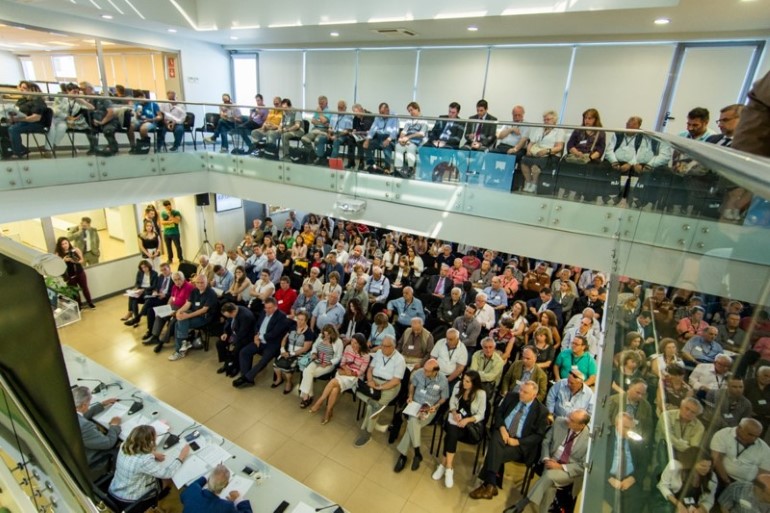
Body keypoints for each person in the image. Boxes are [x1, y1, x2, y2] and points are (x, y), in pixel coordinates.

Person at [470, 381, 549, 500]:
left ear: (534, 395)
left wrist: (518, 442)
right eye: (521, 390)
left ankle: (489, 484)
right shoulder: (511, 397)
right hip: (503, 432)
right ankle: (491, 484)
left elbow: (538, 436)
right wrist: (502, 428)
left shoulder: (541, 411)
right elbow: (499, 413)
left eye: (525, 392)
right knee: (496, 440)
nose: (521, 393)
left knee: (494, 453)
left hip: (519, 443)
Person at [506, 409, 591, 513]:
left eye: (572, 420)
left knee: (549, 476)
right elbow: (546, 442)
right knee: (550, 486)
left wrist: (560, 467)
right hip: (551, 461)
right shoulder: (559, 422)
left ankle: (522, 504)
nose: (568, 420)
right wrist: (546, 458)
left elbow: (583, 466)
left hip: (568, 471)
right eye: (569, 416)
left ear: (581, 425)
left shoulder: (590, 440)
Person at [108, 425, 190, 511]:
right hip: (131, 500)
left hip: (115, 490)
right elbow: (167, 473)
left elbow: (138, 449)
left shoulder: (124, 445)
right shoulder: (145, 460)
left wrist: (153, 453)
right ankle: (160, 496)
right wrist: (181, 457)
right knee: (169, 479)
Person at [432, 370, 487, 488]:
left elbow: (481, 415)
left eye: (467, 381)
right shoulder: (458, 385)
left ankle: (443, 465)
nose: (464, 383)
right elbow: (452, 402)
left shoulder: (481, 394)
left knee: (450, 435)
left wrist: (467, 420)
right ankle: (448, 468)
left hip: (468, 426)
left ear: (474, 383)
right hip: (455, 419)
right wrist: (453, 412)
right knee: (452, 430)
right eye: (463, 380)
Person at [393, 358, 449, 472]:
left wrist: (436, 406)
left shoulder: (443, 380)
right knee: (414, 422)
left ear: (435, 371)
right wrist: (410, 396)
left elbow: (444, 397)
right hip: (415, 404)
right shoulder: (419, 373)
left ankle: (404, 456)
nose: (424, 372)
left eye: (427, 371)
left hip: (429, 408)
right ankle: (417, 454)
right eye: (424, 369)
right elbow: (412, 385)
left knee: (412, 423)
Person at [309, 333, 370, 424]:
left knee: (333, 382)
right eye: (352, 342)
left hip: (354, 377)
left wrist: (349, 373)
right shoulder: (348, 348)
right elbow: (342, 363)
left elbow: (361, 372)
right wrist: (345, 370)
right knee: (334, 389)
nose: (353, 344)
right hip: (343, 371)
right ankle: (328, 411)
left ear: (361, 344)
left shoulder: (366, 355)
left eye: (355, 343)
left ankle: (320, 401)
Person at [233, 297, 291, 387]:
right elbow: (257, 325)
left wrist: (259, 337)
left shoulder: (281, 316)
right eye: (265, 308)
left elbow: (274, 333)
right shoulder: (264, 312)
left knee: (263, 361)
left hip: (272, 344)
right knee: (244, 352)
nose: (267, 310)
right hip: (259, 340)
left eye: (269, 308)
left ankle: (247, 378)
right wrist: (256, 335)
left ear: (276, 307)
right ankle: (245, 376)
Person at [602, 413, 649, 513]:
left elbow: (644, 462)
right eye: (626, 427)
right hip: (609, 479)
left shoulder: (636, 439)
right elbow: (597, 462)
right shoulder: (605, 437)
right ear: (616, 425)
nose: (629, 431)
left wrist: (633, 478)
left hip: (630, 479)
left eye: (631, 428)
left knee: (635, 504)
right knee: (618, 504)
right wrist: (610, 479)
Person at [73, 386, 121, 478]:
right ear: (83, 405)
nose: (89, 405)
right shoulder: (85, 426)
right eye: (88, 403)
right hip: (91, 461)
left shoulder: (67, 412)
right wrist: (114, 426)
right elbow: (108, 443)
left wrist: (101, 405)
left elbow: (80, 417)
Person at [169, 274, 218, 361]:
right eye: (198, 282)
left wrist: (187, 316)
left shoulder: (211, 293)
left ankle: (180, 350)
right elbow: (188, 304)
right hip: (193, 313)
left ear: (206, 282)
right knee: (179, 320)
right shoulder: (194, 291)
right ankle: (183, 345)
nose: (200, 284)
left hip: (204, 317)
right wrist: (179, 311)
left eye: (202, 282)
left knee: (180, 322)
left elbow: (203, 310)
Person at [710, 418, 770, 485]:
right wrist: (726, 481)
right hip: (719, 476)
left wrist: (750, 487)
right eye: (750, 434)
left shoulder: (764, 449)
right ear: (739, 428)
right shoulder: (724, 434)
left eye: (756, 436)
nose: (753, 438)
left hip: (745, 485)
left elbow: (765, 473)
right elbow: (716, 459)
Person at [519, 110, 565, 194]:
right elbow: (531, 143)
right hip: (537, 151)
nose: (546, 121)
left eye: (548, 119)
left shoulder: (559, 131)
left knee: (536, 164)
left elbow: (559, 147)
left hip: (550, 154)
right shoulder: (540, 129)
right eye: (544, 120)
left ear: (554, 120)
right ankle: (528, 181)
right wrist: (528, 150)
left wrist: (547, 151)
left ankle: (534, 184)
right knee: (524, 161)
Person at [298, 324, 344, 407]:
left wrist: (329, 363)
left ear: (332, 334)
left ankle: (306, 397)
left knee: (309, 373)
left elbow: (338, 357)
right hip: (317, 360)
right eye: (324, 334)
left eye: (328, 335)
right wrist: (314, 353)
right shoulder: (320, 336)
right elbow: (314, 346)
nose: (325, 336)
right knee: (307, 371)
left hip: (328, 364)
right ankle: (307, 396)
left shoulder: (338, 342)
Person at [181, 464, 253, 513]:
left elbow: (194, 485)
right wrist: (238, 499)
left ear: (209, 479)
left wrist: (212, 475)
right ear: (226, 485)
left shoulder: (192, 490)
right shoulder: (226, 507)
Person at [272, 310, 314, 394]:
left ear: (306, 321)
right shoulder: (292, 327)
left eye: (302, 320)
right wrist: (282, 349)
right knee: (275, 365)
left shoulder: (309, 332)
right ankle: (279, 379)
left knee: (287, 367)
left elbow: (305, 348)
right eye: (298, 319)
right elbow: (284, 339)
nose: (299, 321)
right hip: (288, 351)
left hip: (300, 354)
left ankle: (289, 383)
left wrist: (291, 354)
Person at [216, 302, 257, 378]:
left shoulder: (246, 316)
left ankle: (236, 366)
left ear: (233, 312)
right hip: (234, 333)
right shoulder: (233, 310)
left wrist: (233, 341)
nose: (229, 317)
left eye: (229, 316)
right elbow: (228, 322)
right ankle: (227, 362)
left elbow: (243, 333)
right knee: (219, 344)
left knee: (236, 350)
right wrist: (225, 333)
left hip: (245, 337)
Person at [55, 236, 95, 309]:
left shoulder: (75, 250)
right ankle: (79, 306)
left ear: (68, 243)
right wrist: (63, 260)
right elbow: (57, 266)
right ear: (59, 245)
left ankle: (90, 303)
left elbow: (82, 260)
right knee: (74, 291)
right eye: (62, 244)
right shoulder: (58, 254)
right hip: (69, 276)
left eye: (66, 243)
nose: (64, 245)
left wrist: (75, 261)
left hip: (80, 272)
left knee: (85, 288)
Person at [394, 101, 429, 176]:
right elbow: (403, 131)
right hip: (407, 141)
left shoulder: (424, 120)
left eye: (411, 110)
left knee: (411, 147)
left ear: (417, 109)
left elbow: (421, 134)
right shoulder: (409, 120)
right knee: (398, 146)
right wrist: (401, 139)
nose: (410, 112)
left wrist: (408, 137)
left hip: (417, 142)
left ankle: (411, 169)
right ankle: (398, 169)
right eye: (409, 111)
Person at [122, 260, 158, 325]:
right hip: (140, 290)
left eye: (145, 267)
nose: (144, 269)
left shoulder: (154, 273)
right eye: (142, 268)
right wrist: (137, 288)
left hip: (148, 291)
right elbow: (137, 283)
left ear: (148, 266)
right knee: (133, 297)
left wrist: (143, 290)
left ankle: (131, 314)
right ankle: (135, 317)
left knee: (134, 298)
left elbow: (154, 286)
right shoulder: (140, 272)